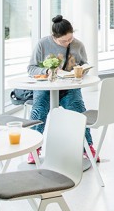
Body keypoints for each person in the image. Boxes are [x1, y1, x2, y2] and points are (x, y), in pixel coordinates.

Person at [25, 14, 94, 158]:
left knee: (78, 108)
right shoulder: (42, 44)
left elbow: (84, 65)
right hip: (46, 87)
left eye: (71, 39)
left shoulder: (78, 45)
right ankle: (33, 148)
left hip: (69, 87)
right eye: (64, 41)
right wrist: (47, 71)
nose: (68, 43)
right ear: (54, 37)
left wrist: (81, 71)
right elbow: (31, 69)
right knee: (39, 110)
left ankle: (87, 147)